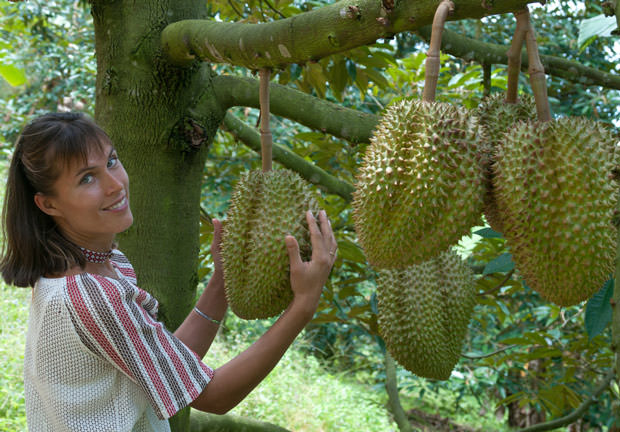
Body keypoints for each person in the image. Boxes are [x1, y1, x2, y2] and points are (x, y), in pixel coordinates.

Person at [1, 112, 338, 432]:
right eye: (87, 178)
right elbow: (215, 396)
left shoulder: (106, 265)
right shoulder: (89, 295)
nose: (115, 185)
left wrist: (220, 280)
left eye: (112, 162)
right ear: (49, 204)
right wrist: (303, 305)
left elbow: (164, 366)